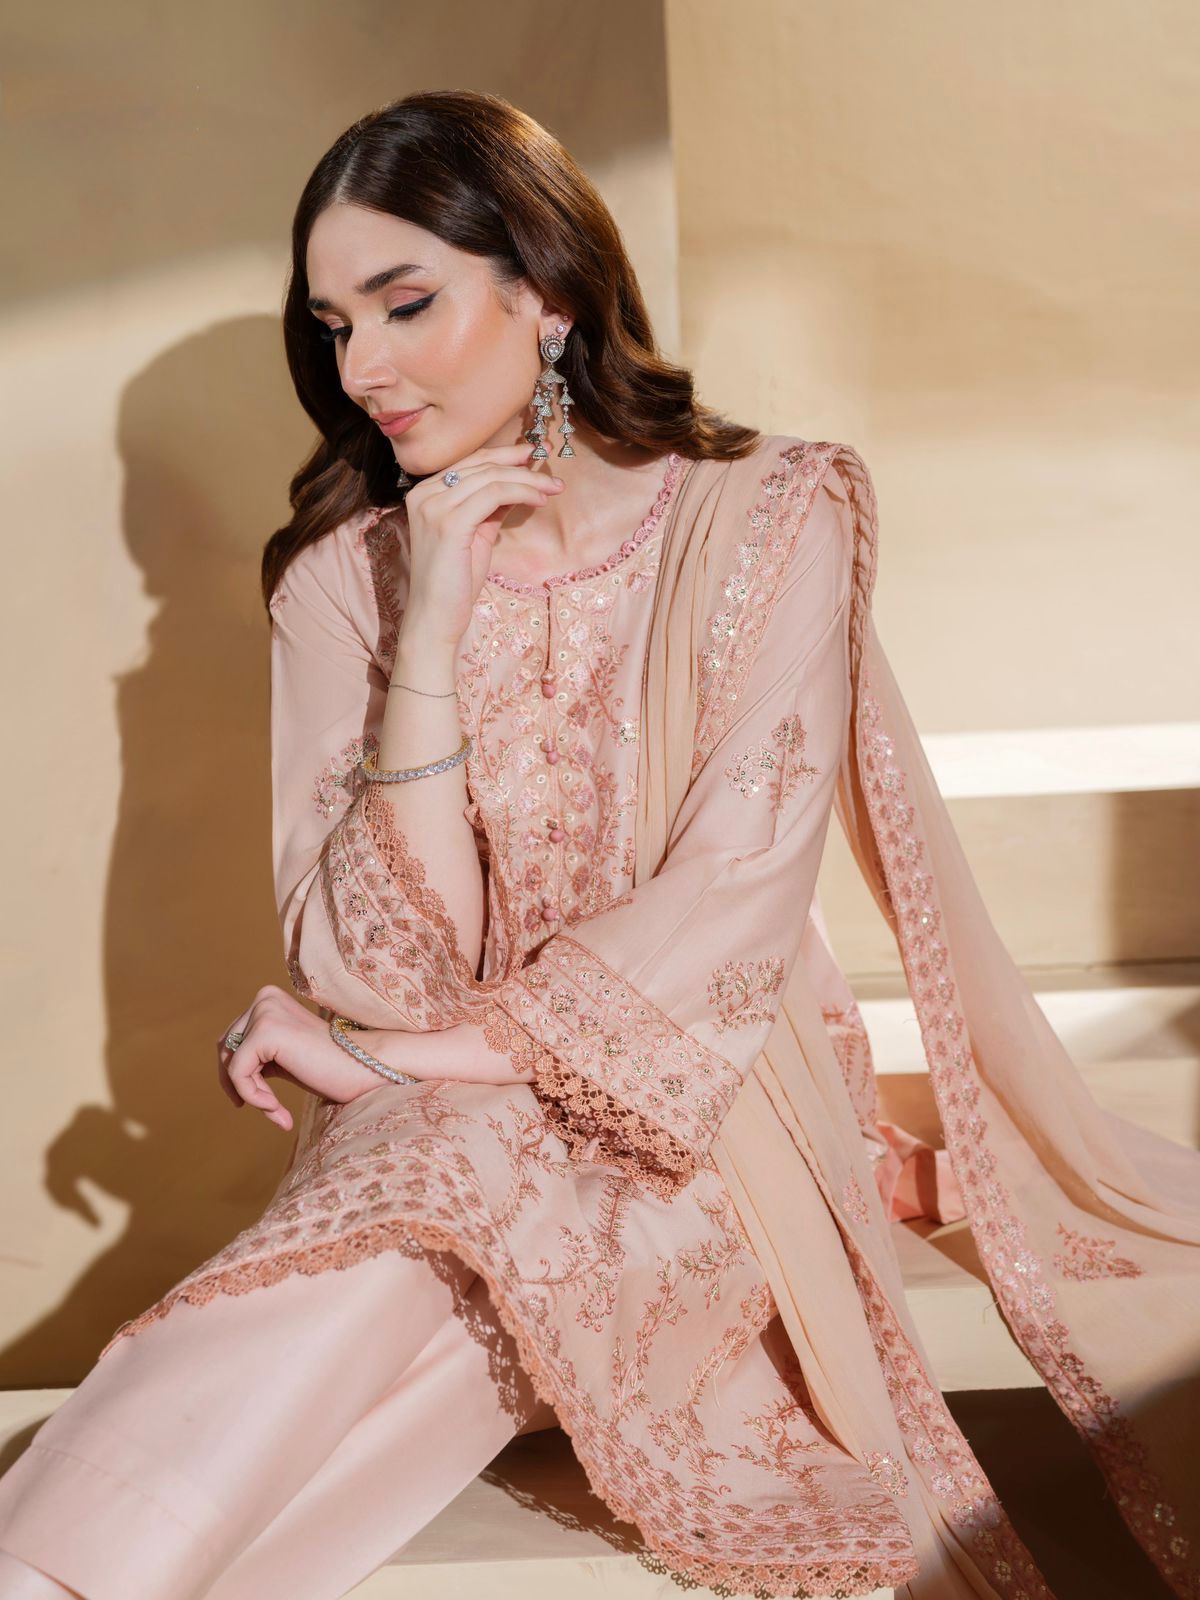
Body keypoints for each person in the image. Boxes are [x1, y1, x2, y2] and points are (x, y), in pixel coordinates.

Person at [0, 88, 1196, 1600]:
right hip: (428, 1101)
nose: (361, 368)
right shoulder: (340, 582)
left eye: (405, 305)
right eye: (333, 326)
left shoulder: (771, 516)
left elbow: (732, 905)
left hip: (709, 1097)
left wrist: (396, 1063)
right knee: (438, 1201)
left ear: (549, 294)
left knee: (446, 1187)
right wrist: (432, 626)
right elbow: (385, 968)